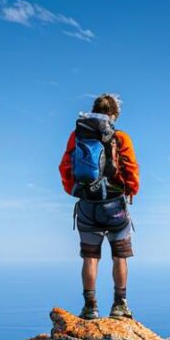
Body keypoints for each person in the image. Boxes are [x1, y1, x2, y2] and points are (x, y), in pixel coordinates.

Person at [58, 93, 140, 319]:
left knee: (90, 257)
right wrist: (131, 190)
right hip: (115, 205)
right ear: (113, 114)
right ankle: (120, 305)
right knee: (119, 256)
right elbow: (131, 167)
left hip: (87, 205)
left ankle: (90, 307)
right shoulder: (120, 137)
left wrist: (75, 190)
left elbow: (65, 166)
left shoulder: (77, 135)